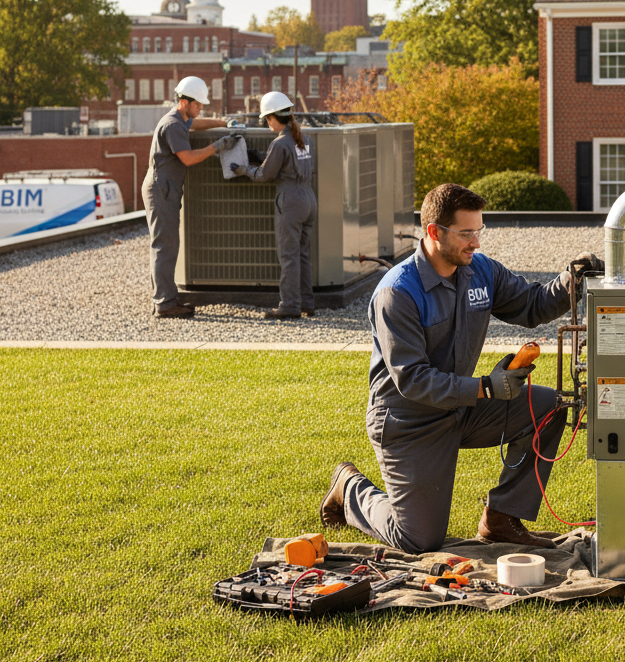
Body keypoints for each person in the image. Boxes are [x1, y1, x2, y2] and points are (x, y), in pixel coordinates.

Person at [318, 182, 603, 553]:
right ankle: (350, 488)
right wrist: (486, 387)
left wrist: (572, 280)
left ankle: (501, 517)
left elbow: (532, 305)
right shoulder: (397, 293)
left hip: (460, 408)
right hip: (409, 421)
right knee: (418, 540)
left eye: (479, 231)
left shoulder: (480, 271)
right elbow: (413, 380)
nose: (476, 242)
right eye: (466, 233)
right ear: (434, 231)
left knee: (547, 407)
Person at [141, 76, 237, 318]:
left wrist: (223, 122)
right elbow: (188, 158)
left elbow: (195, 124)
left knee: (166, 244)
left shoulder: (179, 118)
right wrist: (218, 145)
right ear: (184, 102)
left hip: (165, 187)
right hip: (161, 189)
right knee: (165, 245)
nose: (200, 108)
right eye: (197, 104)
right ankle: (164, 303)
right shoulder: (173, 125)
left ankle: (165, 298)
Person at [234, 91, 317, 320]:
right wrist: (258, 155)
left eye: (266, 119)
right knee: (302, 255)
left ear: (272, 117)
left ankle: (289, 306)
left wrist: (244, 170)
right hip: (309, 199)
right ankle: (306, 303)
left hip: (290, 202)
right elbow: (283, 162)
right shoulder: (305, 139)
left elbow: (265, 175)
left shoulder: (280, 142)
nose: (265, 123)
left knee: (288, 256)